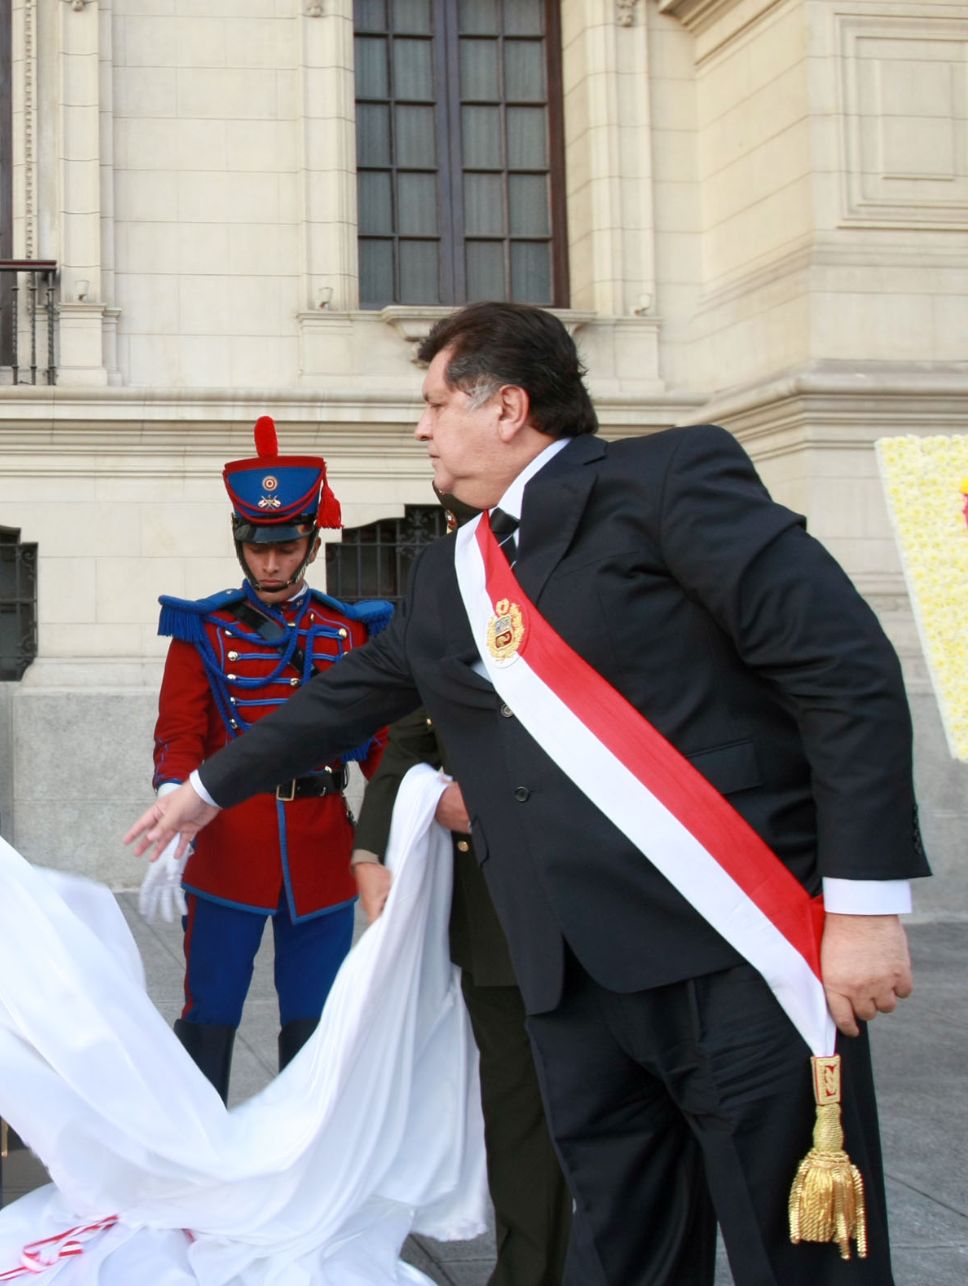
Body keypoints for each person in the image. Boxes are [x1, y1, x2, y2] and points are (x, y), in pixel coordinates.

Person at [128, 302, 927, 1286]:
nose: (420, 427)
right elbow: (353, 693)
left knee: (795, 1254)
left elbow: (840, 666)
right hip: (569, 980)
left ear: (507, 407)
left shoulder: (668, 482)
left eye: (433, 403)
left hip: (734, 961)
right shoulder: (447, 570)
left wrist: (864, 905)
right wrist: (207, 786)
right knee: (621, 1251)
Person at [144, 415, 392, 1100]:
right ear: (241, 545)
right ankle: (200, 1161)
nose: (271, 563)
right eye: (259, 549)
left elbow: (382, 747)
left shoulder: (350, 632)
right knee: (210, 1018)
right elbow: (180, 733)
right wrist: (174, 802)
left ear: (310, 542)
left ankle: (302, 1160)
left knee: (315, 1023)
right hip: (229, 845)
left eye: (285, 548)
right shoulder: (205, 628)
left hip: (321, 851)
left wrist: (403, 834)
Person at [356, 706, 571, 1286]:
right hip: (495, 921)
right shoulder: (454, 626)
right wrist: (369, 850)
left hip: (599, 905)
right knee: (518, 1118)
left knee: (624, 1120)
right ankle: (528, 1274)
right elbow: (408, 745)